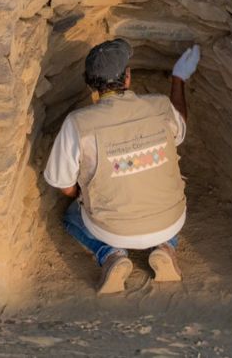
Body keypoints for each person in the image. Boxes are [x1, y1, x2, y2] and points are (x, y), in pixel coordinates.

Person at [44, 38, 201, 294]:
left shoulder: (78, 123)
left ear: (89, 82)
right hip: (168, 220)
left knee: (72, 216)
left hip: (112, 229)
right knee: (166, 196)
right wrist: (178, 79)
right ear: (127, 77)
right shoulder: (160, 106)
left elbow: (62, 183)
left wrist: (81, 195)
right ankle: (165, 247)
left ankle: (111, 254)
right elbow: (180, 127)